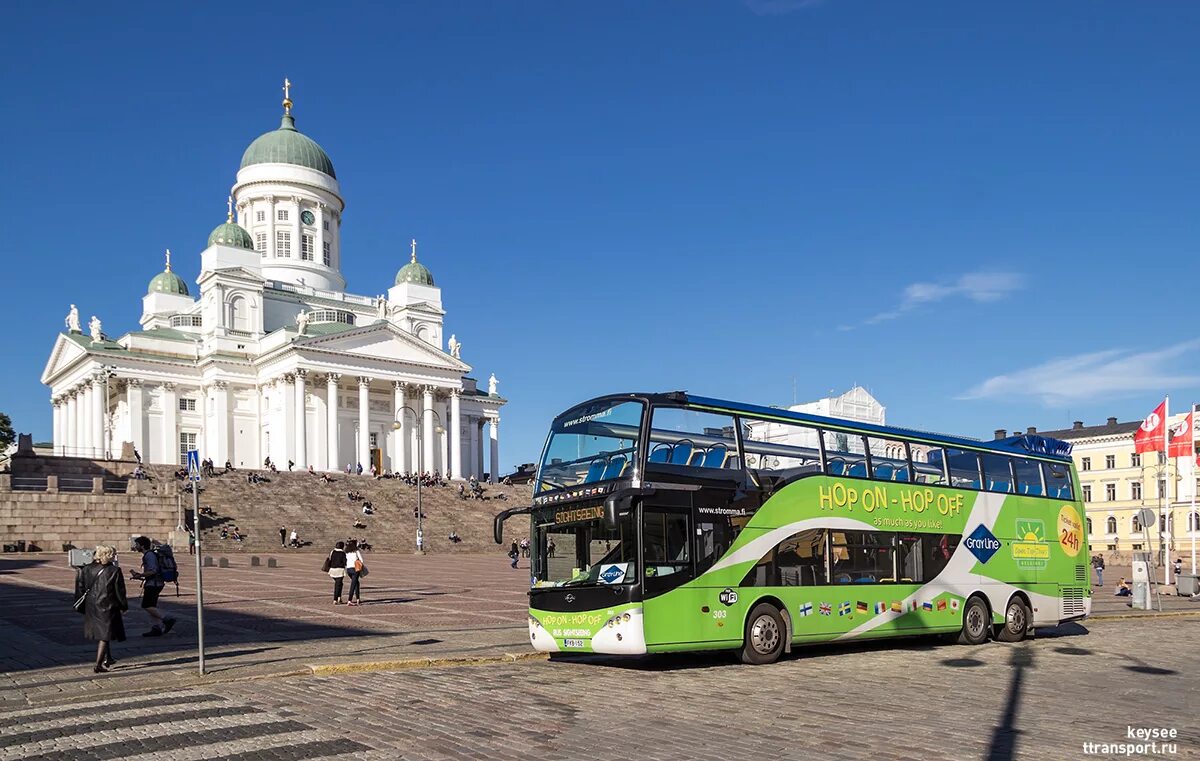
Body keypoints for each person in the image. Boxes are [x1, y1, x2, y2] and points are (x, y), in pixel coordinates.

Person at [76, 544, 127, 673]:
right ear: (108, 555)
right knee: (105, 634)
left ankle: (108, 658)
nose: (115, 556)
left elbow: (80, 588)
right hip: (107, 605)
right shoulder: (114, 571)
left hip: (91, 605)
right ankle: (98, 665)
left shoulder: (86, 569)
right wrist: (123, 605)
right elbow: (119, 591)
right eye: (113, 554)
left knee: (105, 631)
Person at [129, 536, 175, 637]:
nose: (135, 546)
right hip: (155, 582)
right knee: (152, 606)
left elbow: (153, 570)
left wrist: (140, 575)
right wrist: (139, 576)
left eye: (137, 544)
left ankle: (167, 619)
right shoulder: (149, 555)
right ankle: (156, 628)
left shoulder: (149, 555)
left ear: (142, 545)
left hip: (154, 584)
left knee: (147, 605)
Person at [344, 540, 365, 606]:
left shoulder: (346, 552)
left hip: (348, 569)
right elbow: (361, 560)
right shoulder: (356, 551)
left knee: (356, 583)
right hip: (355, 569)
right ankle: (349, 600)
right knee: (353, 585)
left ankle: (358, 599)